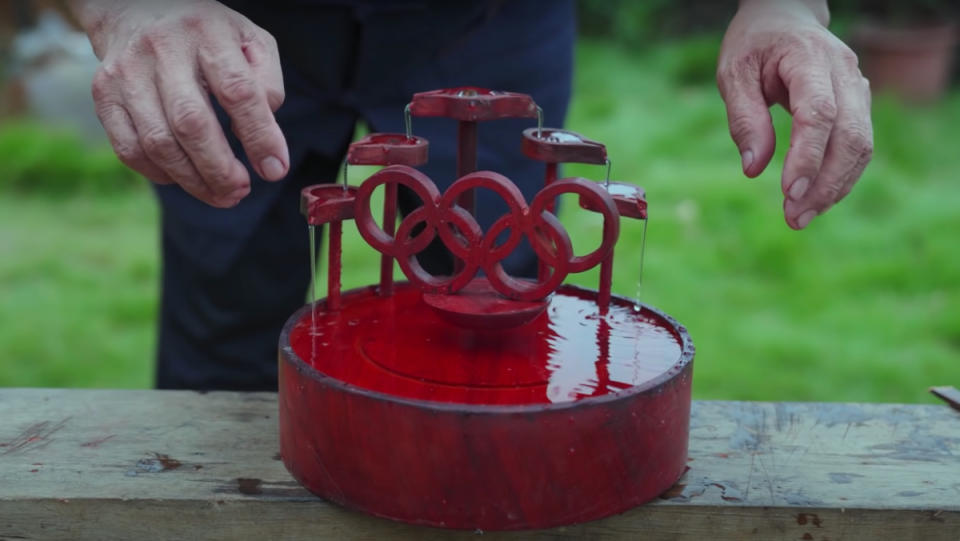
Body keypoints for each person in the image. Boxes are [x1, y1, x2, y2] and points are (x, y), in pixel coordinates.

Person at [67, 0, 873, 391]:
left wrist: (784, 4)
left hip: (488, 20)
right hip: (228, 25)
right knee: (223, 313)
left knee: (495, 322)